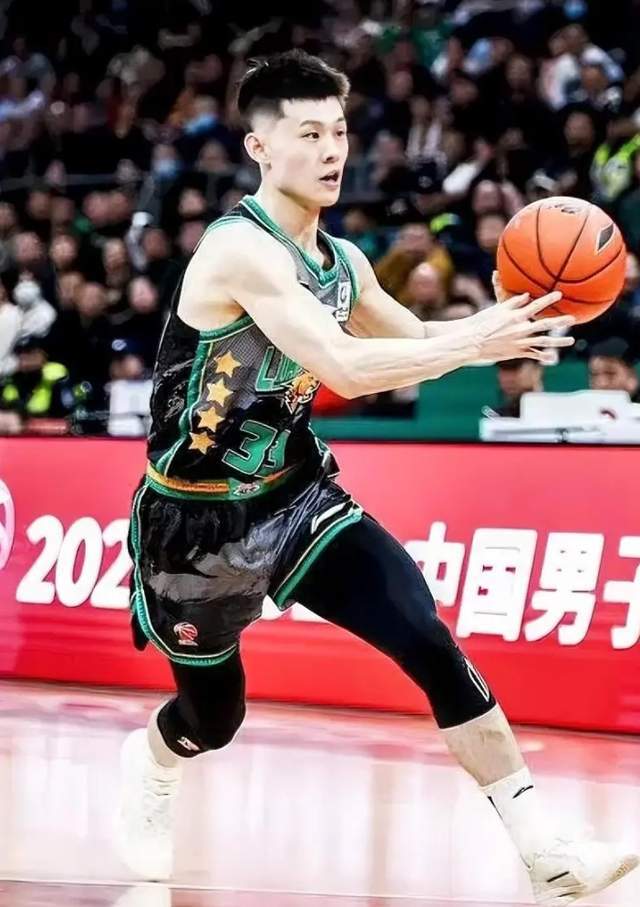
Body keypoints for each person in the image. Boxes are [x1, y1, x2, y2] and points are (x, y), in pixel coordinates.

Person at [115, 50, 638, 905]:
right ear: (259, 147)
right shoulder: (240, 251)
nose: (331, 150)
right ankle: (155, 760)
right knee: (215, 717)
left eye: (339, 131)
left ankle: (546, 850)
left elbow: (417, 345)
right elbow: (348, 367)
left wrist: (504, 322)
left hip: (294, 493)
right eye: (308, 133)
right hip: (195, 522)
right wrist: (476, 340)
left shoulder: (345, 262)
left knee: (424, 634)